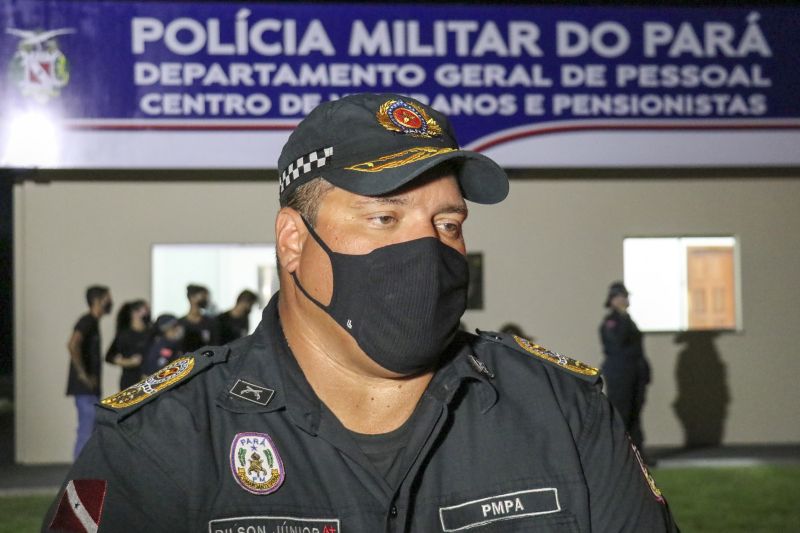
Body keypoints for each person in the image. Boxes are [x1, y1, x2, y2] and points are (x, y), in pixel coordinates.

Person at [45, 94, 677, 531]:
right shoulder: (166, 437)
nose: (427, 247)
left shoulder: (561, 411)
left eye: (448, 222)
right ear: (293, 242)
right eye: (384, 218)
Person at [600, 281, 652, 456]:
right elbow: (618, 343)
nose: (625, 300)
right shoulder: (612, 322)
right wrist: (622, 318)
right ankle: (621, 454)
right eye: (621, 297)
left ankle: (637, 454)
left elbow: (638, 348)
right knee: (622, 413)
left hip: (634, 373)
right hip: (620, 374)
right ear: (613, 300)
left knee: (635, 414)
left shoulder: (627, 320)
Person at [65, 285, 112, 459]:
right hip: (84, 388)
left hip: (90, 389)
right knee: (86, 429)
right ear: (97, 301)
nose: (110, 303)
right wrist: (82, 374)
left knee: (91, 429)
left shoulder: (93, 323)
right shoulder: (87, 321)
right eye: (107, 299)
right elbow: (72, 344)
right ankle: (79, 475)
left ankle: (84, 472)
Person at [105, 300, 151, 390]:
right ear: (134, 313)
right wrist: (129, 362)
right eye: (145, 310)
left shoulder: (151, 333)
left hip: (149, 381)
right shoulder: (124, 335)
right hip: (130, 381)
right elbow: (109, 357)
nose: (148, 313)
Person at [179, 284, 214, 353]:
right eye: (203, 296)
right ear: (192, 298)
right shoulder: (180, 323)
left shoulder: (210, 322)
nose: (206, 300)